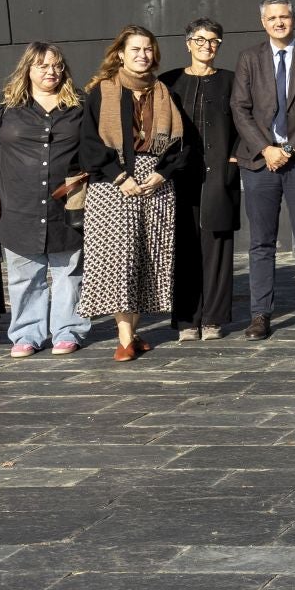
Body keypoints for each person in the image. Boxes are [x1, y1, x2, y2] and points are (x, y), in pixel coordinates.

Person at [0, 43, 91, 357]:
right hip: (17, 203)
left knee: (70, 273)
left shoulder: (80, 103)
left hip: (68, 203)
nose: (51, 72)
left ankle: (68, 330)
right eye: (42, 66)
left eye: (56, 66)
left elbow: (95, 148)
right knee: (25, 275)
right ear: (27, 68)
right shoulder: (4, 104)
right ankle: (27, 334)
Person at [78, 26, 183, 362]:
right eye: (135, 49)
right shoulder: (102, 91)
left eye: (148, 49)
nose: (142, 55)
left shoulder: (164, 91)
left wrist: (161, 173)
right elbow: (89, 144)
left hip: (156, 184)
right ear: (120, 54)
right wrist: (119, 176)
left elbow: (181, 144)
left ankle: (133, 332)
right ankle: (124, 338)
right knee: (118, 261)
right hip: (112, 185)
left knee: (148, 260)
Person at [230, 0, 295, 340]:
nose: (279, 23)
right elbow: (239, 108)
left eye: (284, 17)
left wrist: (287, 147)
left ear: (293, 18)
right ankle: (260, 315)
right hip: (259, 163)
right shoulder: (249, 58)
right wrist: (266, 149)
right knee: (261, 243)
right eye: (272, 19)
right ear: (263, 22)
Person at [161, 19, 241, 342]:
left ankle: (213, 318)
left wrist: (234, 158)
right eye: (200, 40)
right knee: (184, 244)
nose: (207, 46)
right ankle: (186, 320)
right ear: (188, 43)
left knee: (218, 245)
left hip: (220, 171)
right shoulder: (170, 81)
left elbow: (244, 122)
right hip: (181, 175)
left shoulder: (231, 81)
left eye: (213, 41)